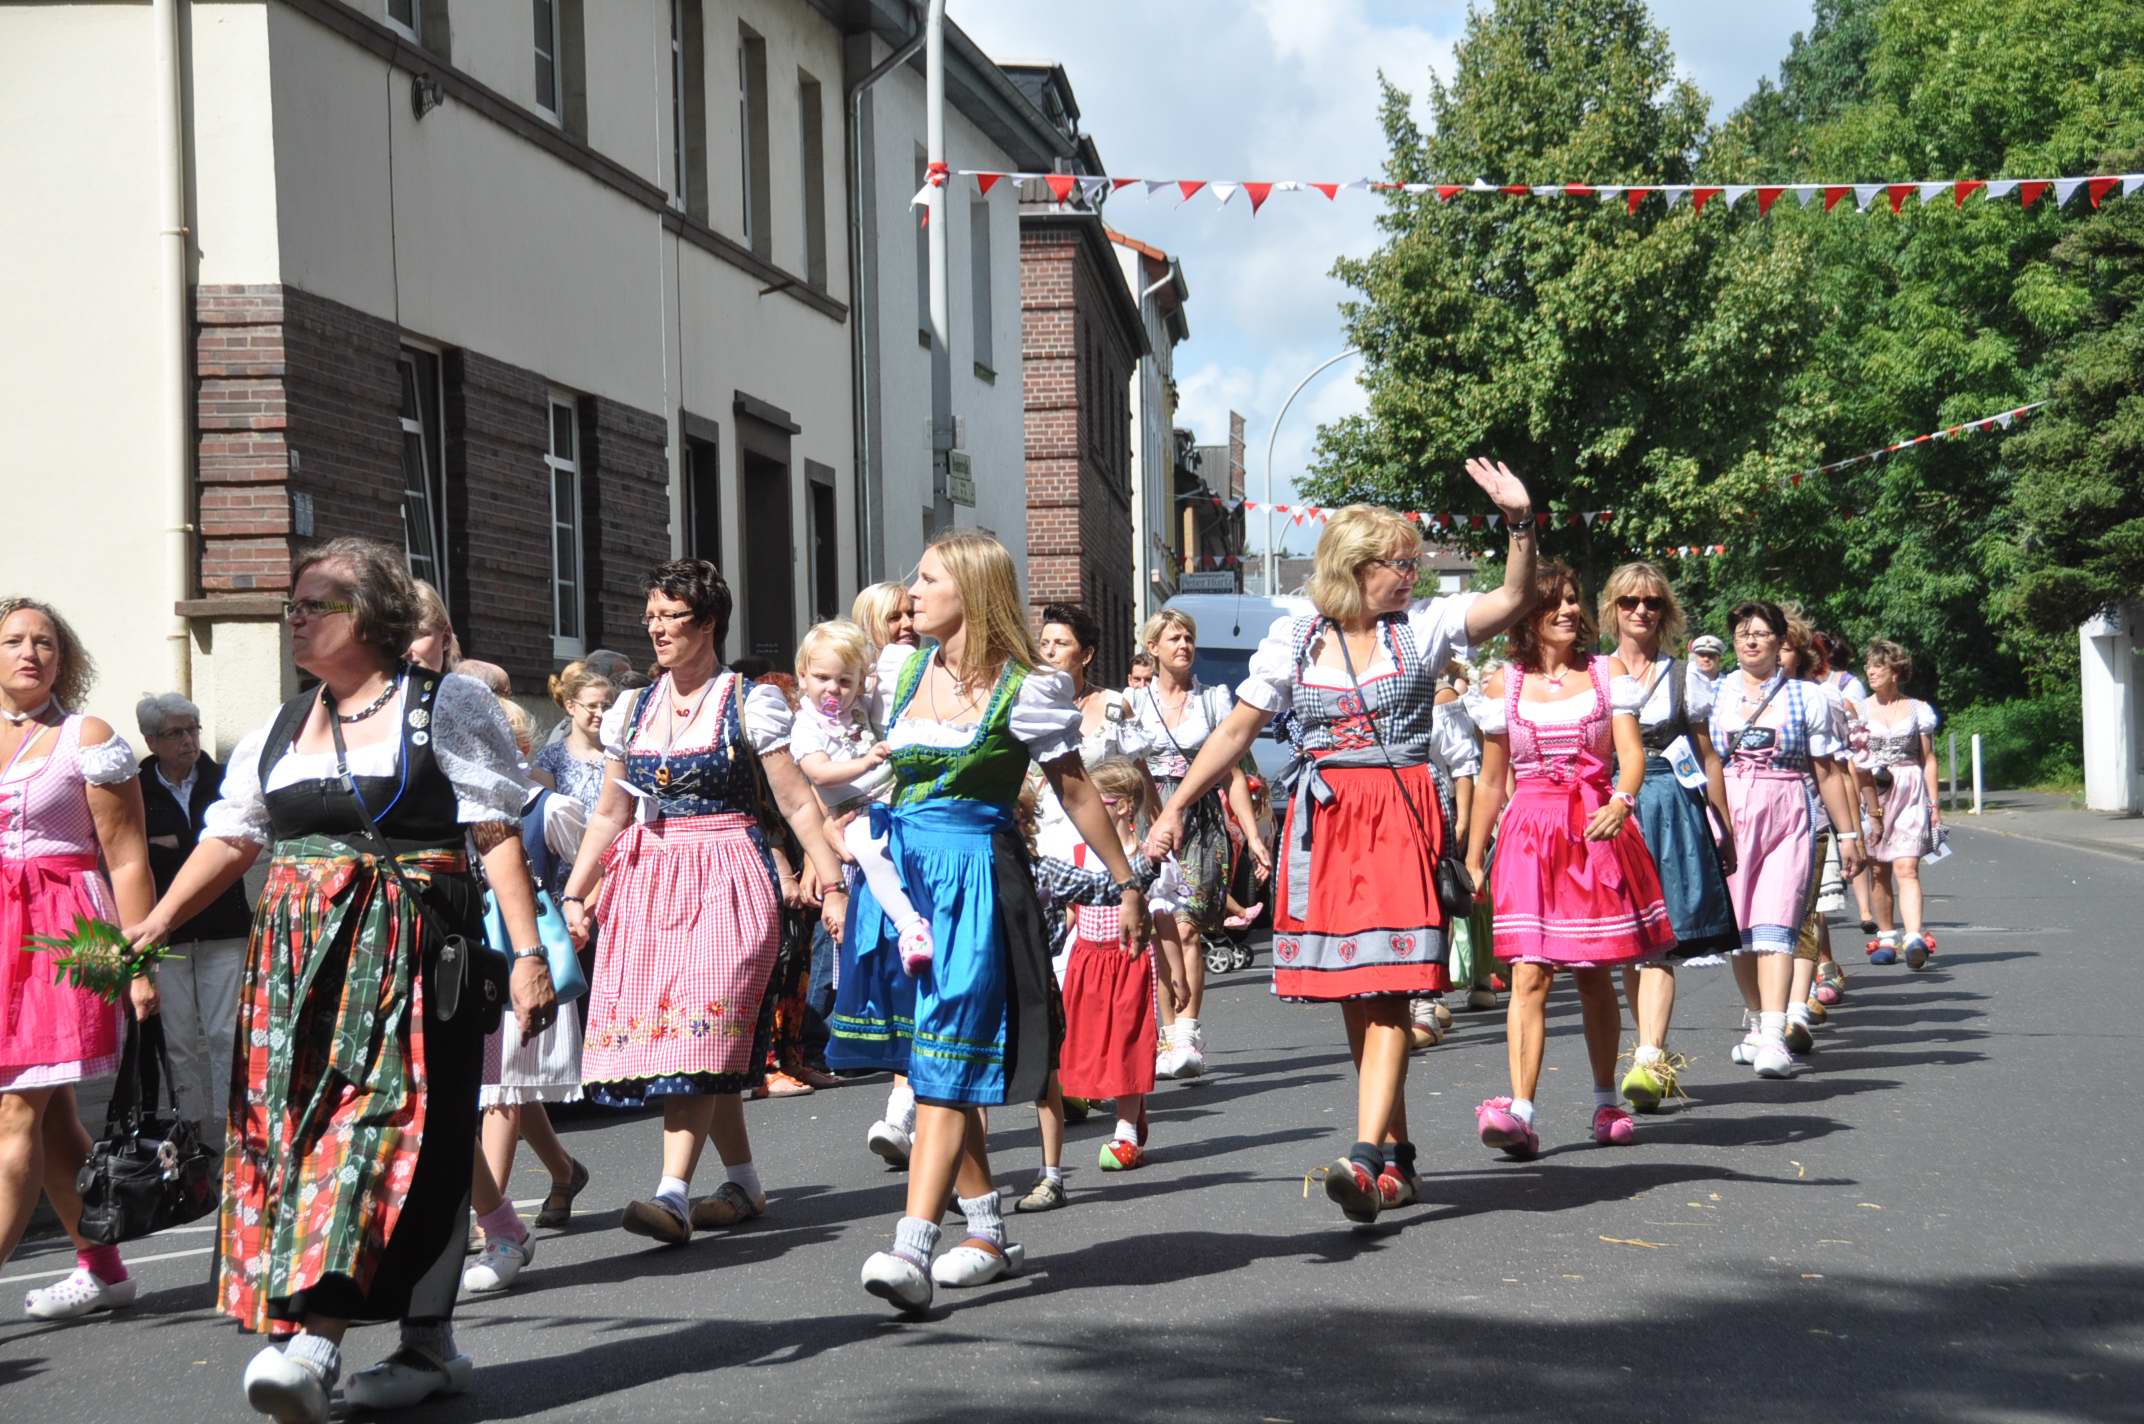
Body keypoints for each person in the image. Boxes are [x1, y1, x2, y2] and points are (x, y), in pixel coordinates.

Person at [124, 538, 553, 1419]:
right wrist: (156, 924)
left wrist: (529, 955)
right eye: (295, 603)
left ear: (370, 617)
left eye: (314, 603)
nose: (295, 617)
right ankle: (423, 1342)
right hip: (294, 965)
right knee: (291, 1135)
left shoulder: (444, 705)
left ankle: (317, 1342)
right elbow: (233, 838)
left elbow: (494, 832)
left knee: (382, 1129)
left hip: (406, 950)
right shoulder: (284, 724)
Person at [1147, 460, 1540, 1223]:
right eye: (1401, 563)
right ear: (1358, 568)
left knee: (1388, 987)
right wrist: (1176, 808)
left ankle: (1362, 1159)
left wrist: (1519, 523)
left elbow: (1512, 598)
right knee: (1356, 995)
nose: (1413, 576)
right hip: (1324, 825)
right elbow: (1236, 731)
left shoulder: (1422, 627)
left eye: (1414, 564)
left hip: (1397, 817)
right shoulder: (1294, 639)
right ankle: (1399, 1160)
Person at [852, 531, 1148, 1315]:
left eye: (928, 579)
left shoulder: (1026, 689)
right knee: (931, 1059)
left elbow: (1076, 789)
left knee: (947, 1059)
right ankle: (986, 1233)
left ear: (973, 592)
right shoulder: (903, 670)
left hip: (975, 879)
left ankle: (912, 1245)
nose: (912, 592)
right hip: (907, 881)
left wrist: (1126, 882)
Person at [559, 560, 842, 1247]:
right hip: (650, 881)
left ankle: (672, 1193)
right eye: (651, 616)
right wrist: (575, 891)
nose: (656, 629)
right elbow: (609, 813)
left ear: (709, 622)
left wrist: (831, 882)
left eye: (671, 616)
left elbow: (797, 801)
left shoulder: (748, 701)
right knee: (701, 1036)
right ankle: (742, 1180)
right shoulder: (632, 708)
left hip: (727, 876)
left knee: (701, 1027)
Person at [1465, 564, 1677, 1157]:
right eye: (1552, 602)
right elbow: (1491, 781)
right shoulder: (1502, 683)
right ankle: (1522, 1111)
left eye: (1571, 600)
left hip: (1592, 830)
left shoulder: (1607, 674)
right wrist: (1474, 857)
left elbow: (1630, 755)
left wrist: (1621, 802)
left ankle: (1606, 1100)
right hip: (1529, 836)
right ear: (1525, 616)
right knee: (1528, 974)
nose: (1566, 610)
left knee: (1592, 972)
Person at [2, 599, 158, 1320]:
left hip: (69, 934)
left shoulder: (86, 738)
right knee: (53, 1115)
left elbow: (126, 858)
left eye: (45, 642)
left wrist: (140, 961)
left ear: (63, 659)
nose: (30, 653)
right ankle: (104, 1270)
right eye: (14, 640)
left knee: (15, 1112)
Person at [1018, 604, 1157, 1210]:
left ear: (1087, 654)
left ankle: (1119, 1098)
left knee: (1108, 981)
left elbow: (1138, 779)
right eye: (1044, 642)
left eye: (1061, 642)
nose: (1049, 651)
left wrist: (1146, 850)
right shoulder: (1026, 701)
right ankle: (1071, 1075)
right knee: (1062, 978)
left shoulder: (1114, 708)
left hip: (1102, 840)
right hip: (1044, 842)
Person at [1595, 564, 1738, 1111]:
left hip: (1671, 806)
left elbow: (1707, 756)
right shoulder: (1593, 673)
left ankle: (1651, 1057)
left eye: (1652, 602)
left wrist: (1721, 823)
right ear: (1612, 608)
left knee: (1662, 939)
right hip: (1611, 809)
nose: (1641, 611)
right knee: (1629, 944)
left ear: (1666, 611)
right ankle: (1648, 1054)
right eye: (1629, 601)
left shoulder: (1684, 677)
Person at [464, 697, 590, 1298]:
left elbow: (599, 857)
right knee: (508, 1081)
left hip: (520, 950)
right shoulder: (454, 802)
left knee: (503, 1087)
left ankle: (489, 1217)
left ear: (515, 746)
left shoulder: (546, 805)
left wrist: (577, 905)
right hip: (469, 948)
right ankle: (564, 1171)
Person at [1708, 600, 1863, 1081]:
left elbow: (1827, 772)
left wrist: (1849, 834)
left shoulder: (1808, 697)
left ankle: (1776, 1033)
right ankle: (1757, 1022)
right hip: (1728, 813)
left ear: (1780, 641)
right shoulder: (1714, 693)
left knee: (1776, 922)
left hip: (1787, 813)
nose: (1750, 641)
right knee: (1737, 931)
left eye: (1760, 633)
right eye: (1742, 633)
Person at [1130, 609, 1267, 1080]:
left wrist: (1251, 834)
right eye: (1173, 638)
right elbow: (1121, 766)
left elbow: (1232, 774)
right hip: (1148, 817)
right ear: (1153, 648)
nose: (1184, 645)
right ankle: (1166, 1035)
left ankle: (1186, 1034)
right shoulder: (1134, 702)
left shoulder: (1213, 700)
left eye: (1188, 637)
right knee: (1159, 930)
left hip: (1201, 820)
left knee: (1186, 928)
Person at [135, 692, 252, 1149]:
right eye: (175, 733)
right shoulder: (137, 789)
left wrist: (174, 846)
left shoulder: (224, 782)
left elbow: (232, 845)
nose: (188, 740)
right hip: (168, 935)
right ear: (151, 741)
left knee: (226, 1033)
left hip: (224, 927)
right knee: (178, 1038)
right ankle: (189, 1132)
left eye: (192, 729)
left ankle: (232, 1132)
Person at [1056, 757, 1165, 1177]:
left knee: (1127, 1044)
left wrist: (1174, 975)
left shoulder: (1145, 859)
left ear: (1123, 806)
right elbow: (1071, 910)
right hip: (1088, 960)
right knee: (1089, 1044)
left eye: (1096, 801)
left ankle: (1125, 1131)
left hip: (1129, 961)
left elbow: (1163, 919)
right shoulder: (1080, 855)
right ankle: (1128, 1109)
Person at [1858, 639, 1943, 969]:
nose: (1871, 671)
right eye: (1868, 666)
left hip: (1909, 788)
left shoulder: (1918, 709)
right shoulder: (1860, 710)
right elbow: (1853, 761)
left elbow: (1928, 759)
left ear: (1895, 671)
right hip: (1871, 790)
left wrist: (1934, 804)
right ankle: (1886, 937)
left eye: (1878, 666)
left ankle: (1914, 938)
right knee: (1878, 869)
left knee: (1906, 867)